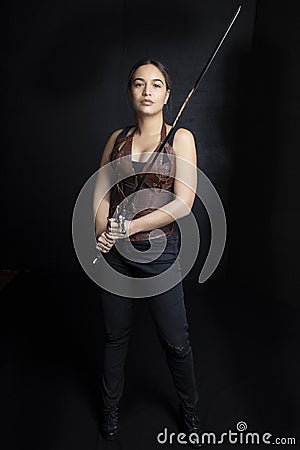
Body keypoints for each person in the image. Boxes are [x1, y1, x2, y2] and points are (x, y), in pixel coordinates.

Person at [94, 59, 202, 448]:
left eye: (156, 85)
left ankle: (190, 411)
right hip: (115, 256)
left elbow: (183, 203)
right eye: (139, 84)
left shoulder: (181, 138)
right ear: (130, 92)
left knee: (176, 341)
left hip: (160, 253)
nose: (147, 91)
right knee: (114, 336)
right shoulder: (116, 138)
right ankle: (110, 409)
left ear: (168, 95)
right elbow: (102, 188)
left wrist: (134, 227)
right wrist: (100, 230)